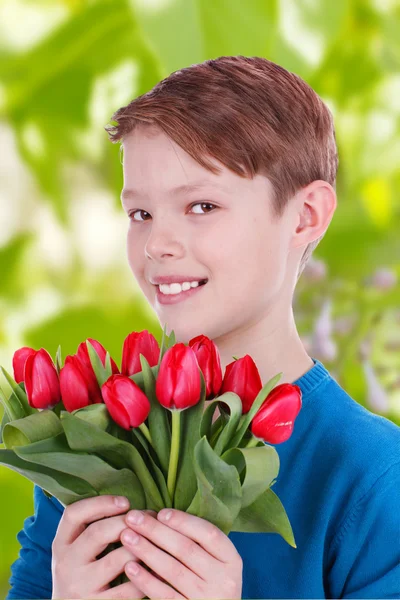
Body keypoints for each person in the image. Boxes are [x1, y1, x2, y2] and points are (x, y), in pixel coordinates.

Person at [6, 55, 400, 599]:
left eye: (201, 205)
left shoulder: (374, 478)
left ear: (306, 215)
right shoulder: (85, 450)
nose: (157, 244)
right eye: (140, 214)